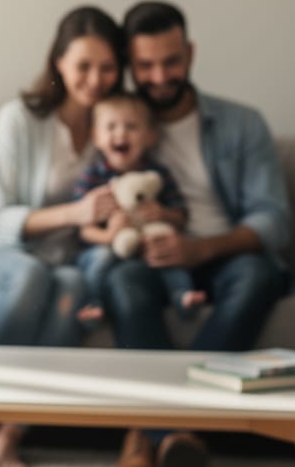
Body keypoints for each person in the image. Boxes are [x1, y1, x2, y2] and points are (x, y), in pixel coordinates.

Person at [103, 0, 292, 467]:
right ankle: (178, 435)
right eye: (144, 65)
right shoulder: (119, 128)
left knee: (258, 275)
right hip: (151, 261)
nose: (160, 75)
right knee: (120, 278)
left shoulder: (241, 124)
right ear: (129, 62)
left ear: (189, 53)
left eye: (171, 61)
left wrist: (199, 250)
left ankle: (144, 435)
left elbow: (273, 222)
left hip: (225, 256)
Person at [0, 6, 124, 467]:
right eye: (83, 66)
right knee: (30, 276)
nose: (95, 80)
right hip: (0, 251)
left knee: (68, 288)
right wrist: (76, 213)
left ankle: (11, 433)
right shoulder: (19, 120)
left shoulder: (119, 127)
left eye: (107, 68)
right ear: (59, 63)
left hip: (67, 261)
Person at [72, 92, 203, 327]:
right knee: (102, 258)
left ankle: (182, 295)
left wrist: (163, 215)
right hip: (104, 248)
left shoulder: (157, 175)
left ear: (151, 136)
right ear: (96, 136)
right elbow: (83, 230)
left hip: (144, 248)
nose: (120, 134)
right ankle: (92, 304)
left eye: (131, 126)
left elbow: (181, 216)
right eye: (110, 127)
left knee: (166, 252)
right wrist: (109, 236)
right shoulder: (93, 177)